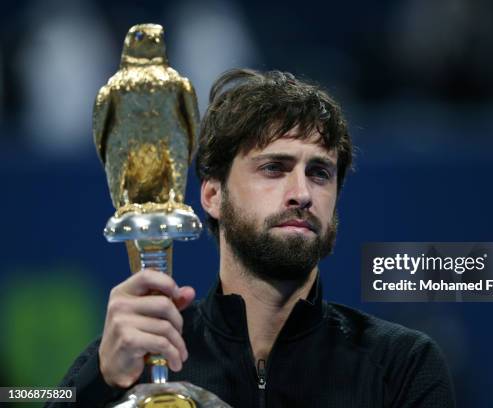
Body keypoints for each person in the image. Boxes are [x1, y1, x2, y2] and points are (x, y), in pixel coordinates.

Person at [47, 68, 455, 407]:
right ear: (212, 195)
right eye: (274, 168)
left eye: (320, 173)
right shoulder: (134, 353)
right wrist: (99, 382)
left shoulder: (402, 366)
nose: (302, 193)